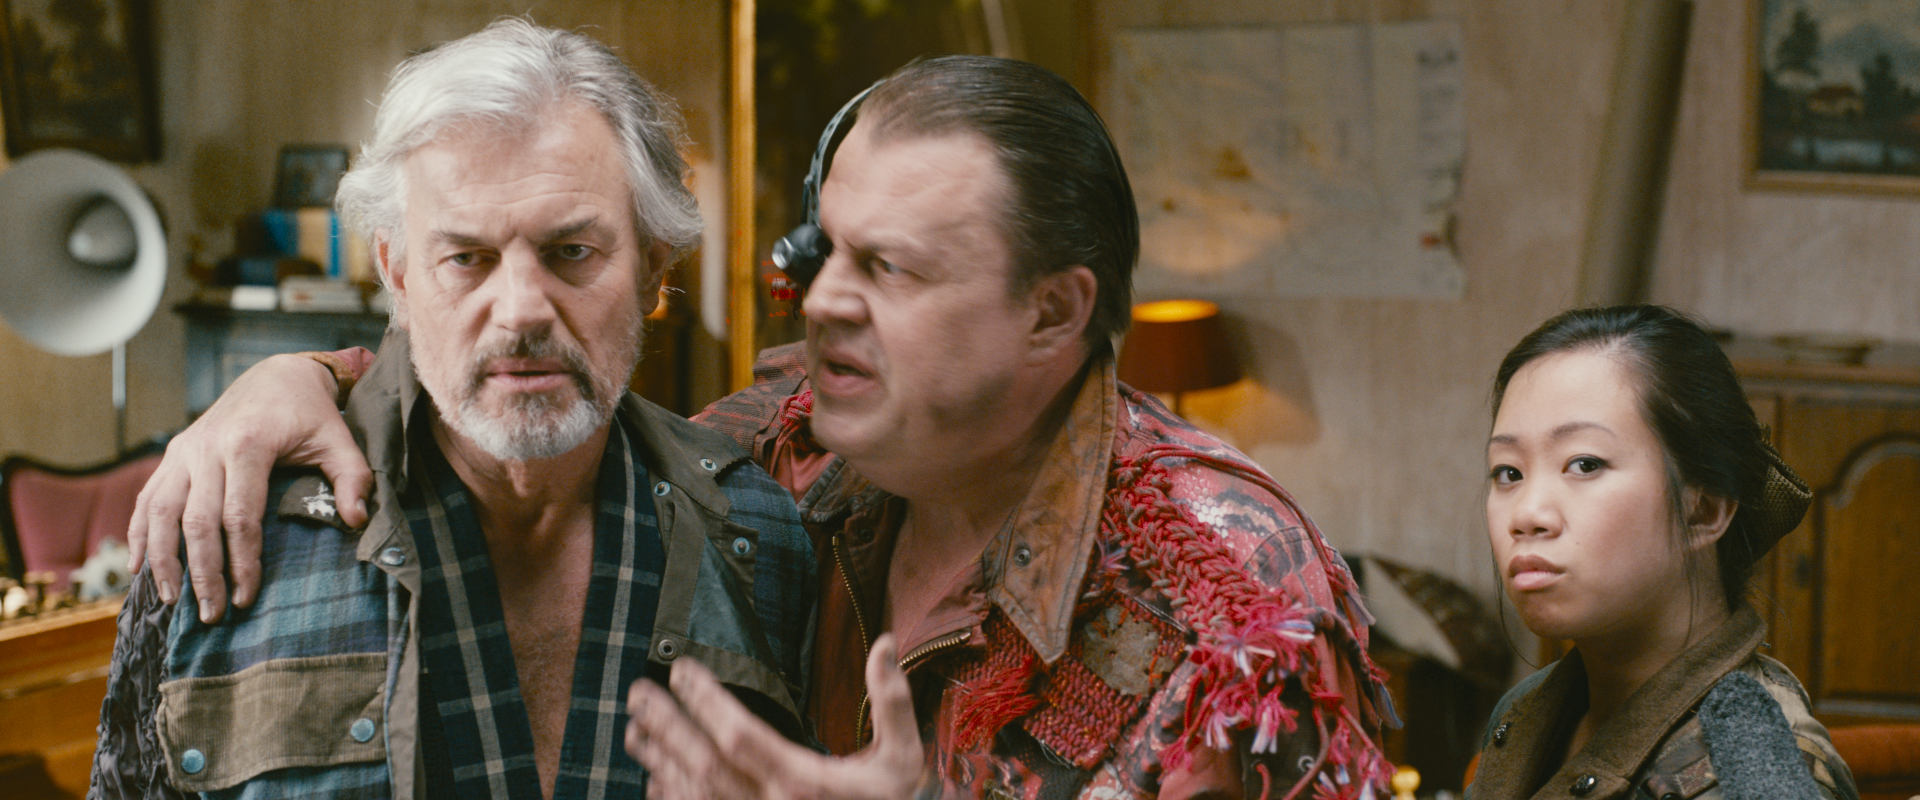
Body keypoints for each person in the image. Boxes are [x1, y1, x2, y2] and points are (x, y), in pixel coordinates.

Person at [125, 55, 1395, 799]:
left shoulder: (1239, 609)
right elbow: (526, 386)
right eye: (823, 249)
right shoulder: (790, 445)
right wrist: (299, 377)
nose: (823, 299)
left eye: (890, 268)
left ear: (1054, 311)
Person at [90, 19, 814, 799]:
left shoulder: (759, 534)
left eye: (572, 251)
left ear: (651, 269)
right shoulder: (225, 522)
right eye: (467, 257)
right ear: (397, 273)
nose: (521, 310)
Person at [1468, 305, 1856, 800]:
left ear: (1704, 510)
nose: (1526, 514)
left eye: (1584, 464)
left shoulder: (1754, 768)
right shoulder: (1523, 712)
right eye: (1508, 472)